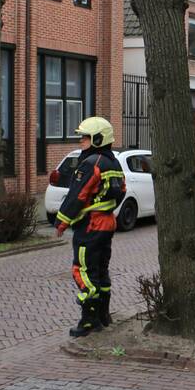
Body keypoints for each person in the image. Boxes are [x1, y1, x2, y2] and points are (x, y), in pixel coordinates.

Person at [55, 117, 127, 338]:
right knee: (100, 270)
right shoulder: (113, 162)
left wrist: (61, 221)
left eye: (85, 137)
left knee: (83, 271)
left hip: (90, 227)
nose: (81, 141)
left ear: (97, 138)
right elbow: (122, 190)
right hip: (107, 224)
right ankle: (104, 316)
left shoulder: (90, 164)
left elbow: (77, 195)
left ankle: (89, 321)